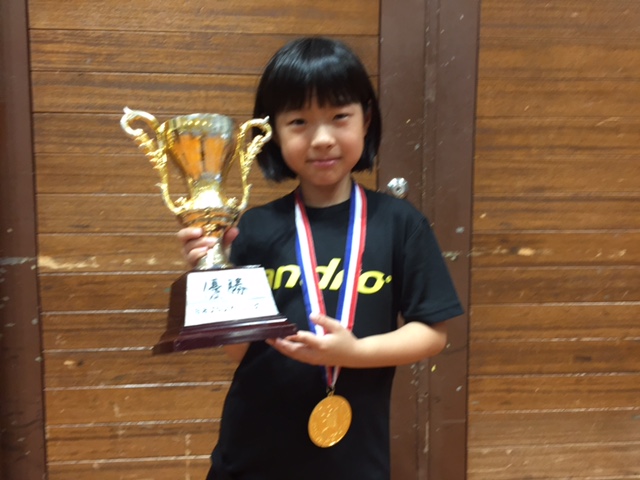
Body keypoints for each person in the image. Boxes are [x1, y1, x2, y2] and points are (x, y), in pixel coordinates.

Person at [178, 37, 463, 480]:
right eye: (299, 122)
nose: (322, 139)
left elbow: (431, 334)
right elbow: (239, 351)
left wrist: (355, 352)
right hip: (251, 456)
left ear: (366, 120)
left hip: (352, 459)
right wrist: (209, 267)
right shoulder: (254, 228)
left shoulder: (400, 223)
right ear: (273, 133)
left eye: (339, 117)